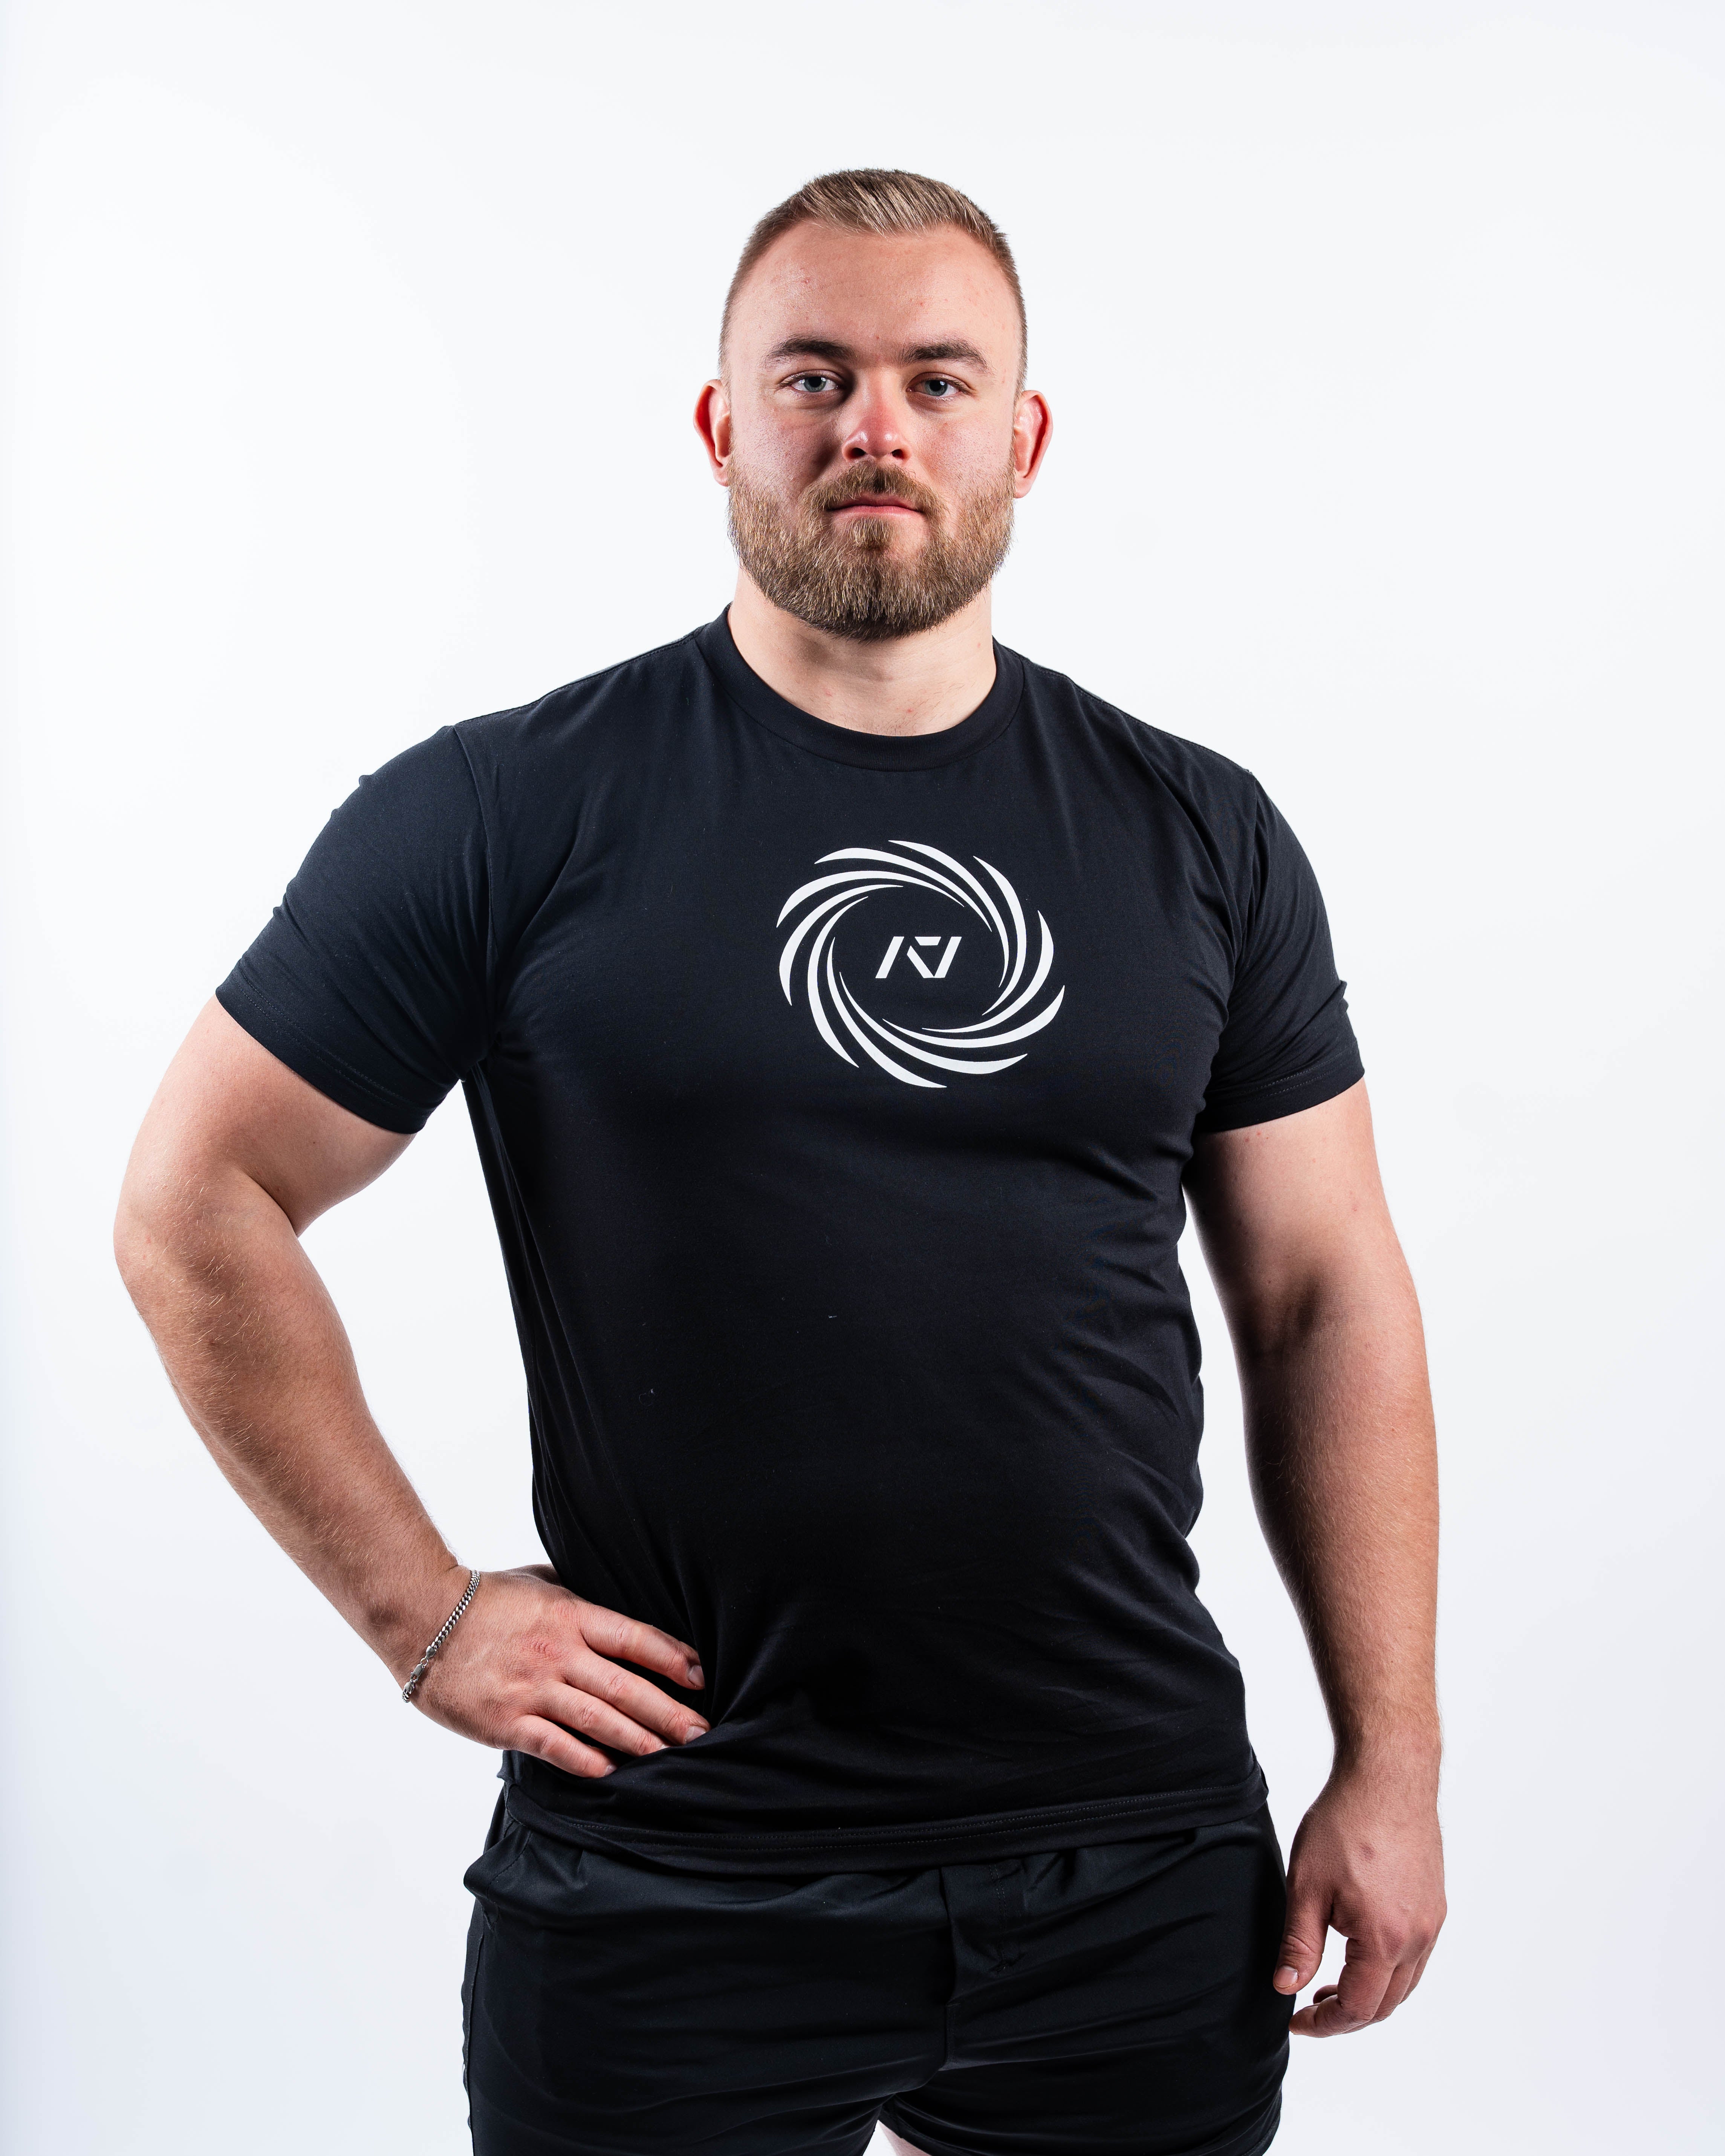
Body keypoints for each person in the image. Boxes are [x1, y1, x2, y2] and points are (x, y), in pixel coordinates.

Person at [115, 168, 1444, 2156]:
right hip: (674, 1861)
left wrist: (1391, 1759)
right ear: (723, 424)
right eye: (813, 377)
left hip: (1136, 1858)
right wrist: (420, 1614)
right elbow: (195, 1201)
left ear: (1023, 437)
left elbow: (1323, 1289)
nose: (874, 427)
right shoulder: (506, 811)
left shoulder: (1199, 833)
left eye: (937, 379)